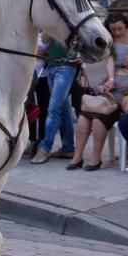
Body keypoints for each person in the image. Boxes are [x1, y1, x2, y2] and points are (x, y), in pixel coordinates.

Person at [66, 49, 128, 171]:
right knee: (82, 119)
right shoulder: (115, 71)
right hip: (100, 103)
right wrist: (102, 87)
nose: (126, 58)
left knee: (97, 121)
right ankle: (77, 157)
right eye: (127, 54)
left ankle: (95, 159)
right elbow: (96, 87)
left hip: (116, 107)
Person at [31, 35, 80, 164]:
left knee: (53, 108)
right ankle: (68, 148)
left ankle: (45, 148)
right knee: (63, 108)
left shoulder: (70, 23)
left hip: (65, 66)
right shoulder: (53, 24)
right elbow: (45, 41)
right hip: (52, 66)